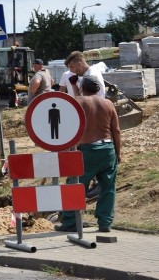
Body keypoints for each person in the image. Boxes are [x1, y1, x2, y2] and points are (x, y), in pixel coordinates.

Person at [56, 74, 121, 233]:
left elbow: (67, 127)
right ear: (98, 88)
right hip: (107, 149)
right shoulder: (108, 104)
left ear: (82, 88)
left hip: (87, 151)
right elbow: (116, 131)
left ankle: (70, 222)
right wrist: (118, 153)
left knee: (75, 185)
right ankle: (105, 223)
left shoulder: (77, 102)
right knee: (108, 188)